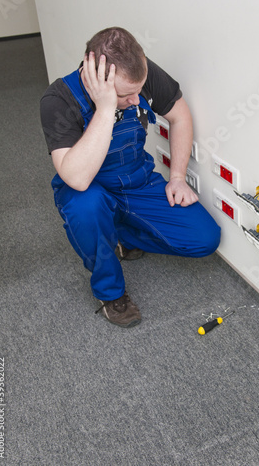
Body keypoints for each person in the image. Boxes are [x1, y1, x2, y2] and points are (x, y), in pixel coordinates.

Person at [40, 27, 221, 328]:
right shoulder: (58, 100)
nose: (138, 100)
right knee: (86, 208)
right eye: (126, 95)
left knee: (204, 238)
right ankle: (110, 292)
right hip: (88, 190)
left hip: (136, 182)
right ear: (95, 76)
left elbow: (180, 116)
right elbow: (77, 178)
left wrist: (177, 177)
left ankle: (119, 233)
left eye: (139, 91)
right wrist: (106, 107)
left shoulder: (139, 74)